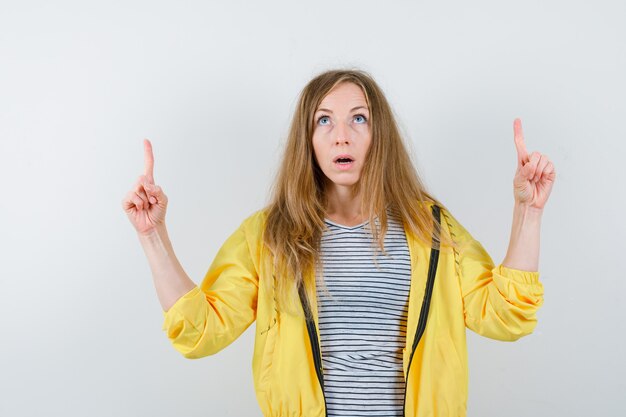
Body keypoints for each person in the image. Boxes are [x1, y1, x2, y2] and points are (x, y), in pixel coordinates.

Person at [122, 69, 554, 417]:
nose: (341, 135)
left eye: (359, 118)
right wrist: (152, 236)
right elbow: (201, 331)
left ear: (378, 135)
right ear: (307, 140)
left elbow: (504, 315)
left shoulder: (431, 229)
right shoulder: (269, 235)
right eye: (324, 120)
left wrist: (528, 213)